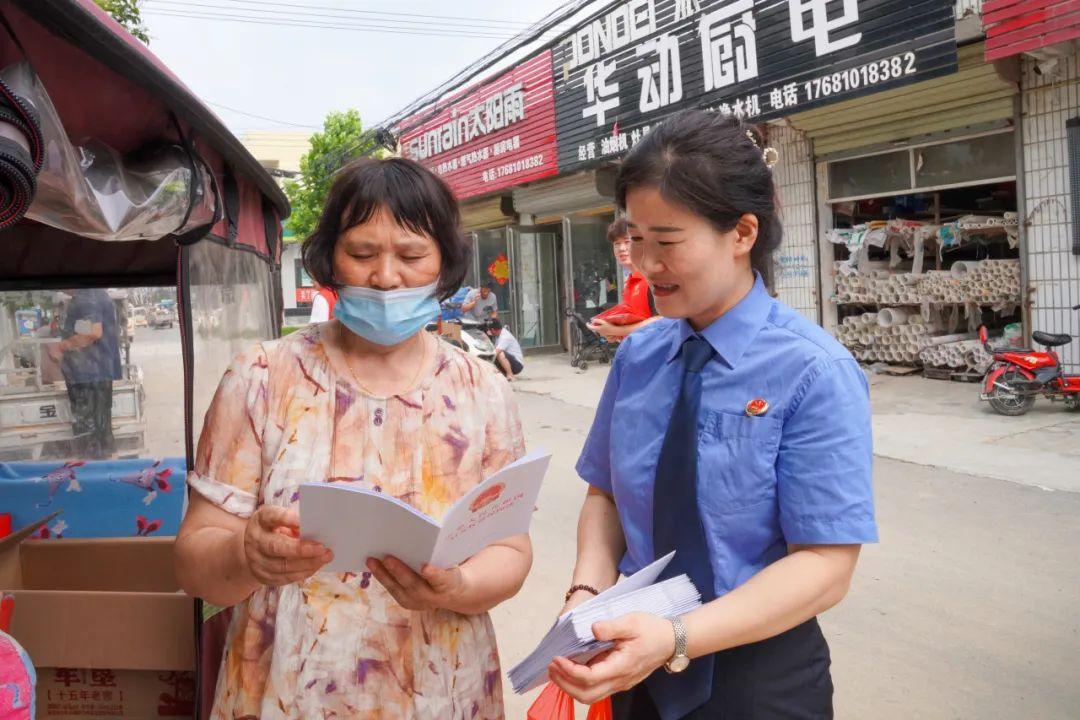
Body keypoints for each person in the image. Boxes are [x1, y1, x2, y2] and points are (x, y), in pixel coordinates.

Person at [174, 157, 532, 719]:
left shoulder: (481, 388)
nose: (386, 277)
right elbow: (195, 560)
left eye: (412, 256)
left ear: (444, 264)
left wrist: (457, 586)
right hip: (284, 693)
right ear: (330, 261)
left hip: (441, 693)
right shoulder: (262, 377)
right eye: (362, 254)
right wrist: (247, 555)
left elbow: (509, 549)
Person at [551, 110, 876, 719]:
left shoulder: (814, 371)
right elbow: (606, 496)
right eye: (636, 240)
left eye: (667, 242)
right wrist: (586, 593)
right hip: (631, 661)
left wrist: (677, 637)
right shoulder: (640, 355)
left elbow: (826, 565)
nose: (646, 266)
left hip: (755, 673)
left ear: (742, 233)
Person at [47, 288, 122, 459]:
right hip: (93, 374)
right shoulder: (90, 294)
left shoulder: (87, 296)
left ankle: (95, 477)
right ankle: (104, 473)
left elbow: (93, 332)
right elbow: (86, 330)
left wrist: (61, 346)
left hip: (89, 376)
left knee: (90, 437)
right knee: (101, 435)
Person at [589, 218, 660, 342]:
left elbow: (664, 321)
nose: (621, 248)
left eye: (627, 242)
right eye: (616, 244)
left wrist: (615, 330)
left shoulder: (653, 279)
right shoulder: (629, 283)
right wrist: (614, 333)